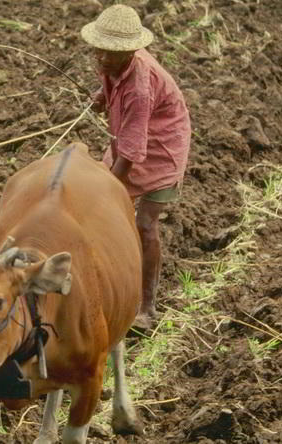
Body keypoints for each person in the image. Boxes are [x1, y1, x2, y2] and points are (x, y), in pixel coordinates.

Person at [81, 4, 191, 329]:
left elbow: (129, 153)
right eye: (98, 50)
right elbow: (110, 81)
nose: (101, 57)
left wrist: (109, 194)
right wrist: (102, 96)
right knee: (109, 204)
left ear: (130, 51)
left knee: (144, 223)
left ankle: (146, 306)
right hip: (131, 131)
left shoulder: (141, 88)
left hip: (163, 145)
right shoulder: (109, 59)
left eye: (110, 53)